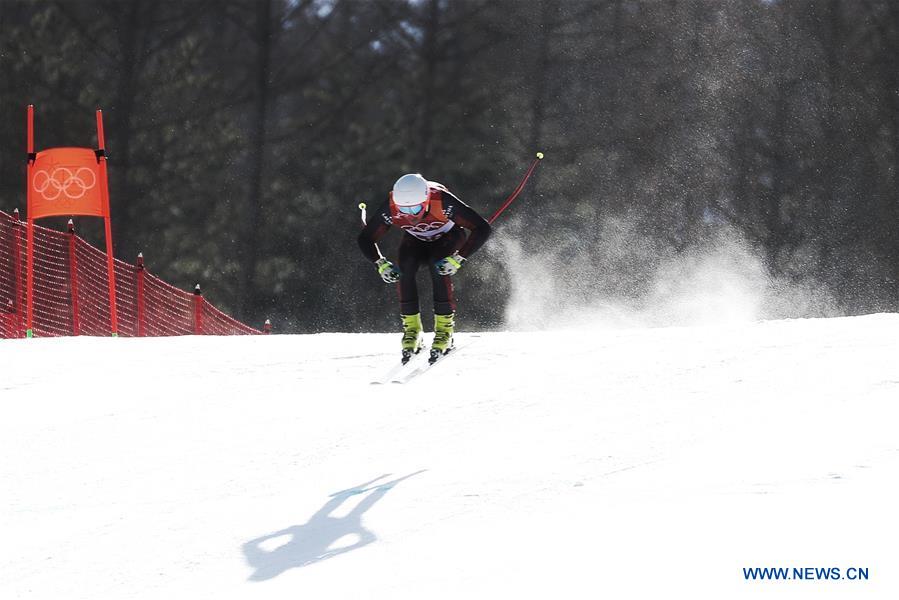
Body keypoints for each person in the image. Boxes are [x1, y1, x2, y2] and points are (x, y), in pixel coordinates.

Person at [358, 173, 492, 363]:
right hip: (416, 239)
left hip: (449, 236)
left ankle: (445, 331)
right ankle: (412, 331)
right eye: (404, 209)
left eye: (415, 208)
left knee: (437, 264)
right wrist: (379, 263)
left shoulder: (442, 201)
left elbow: (482, 228)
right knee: (405, 266)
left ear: (427, 200)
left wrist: (459, 258)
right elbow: (365, 238)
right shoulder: (391, 207)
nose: (411, 215)